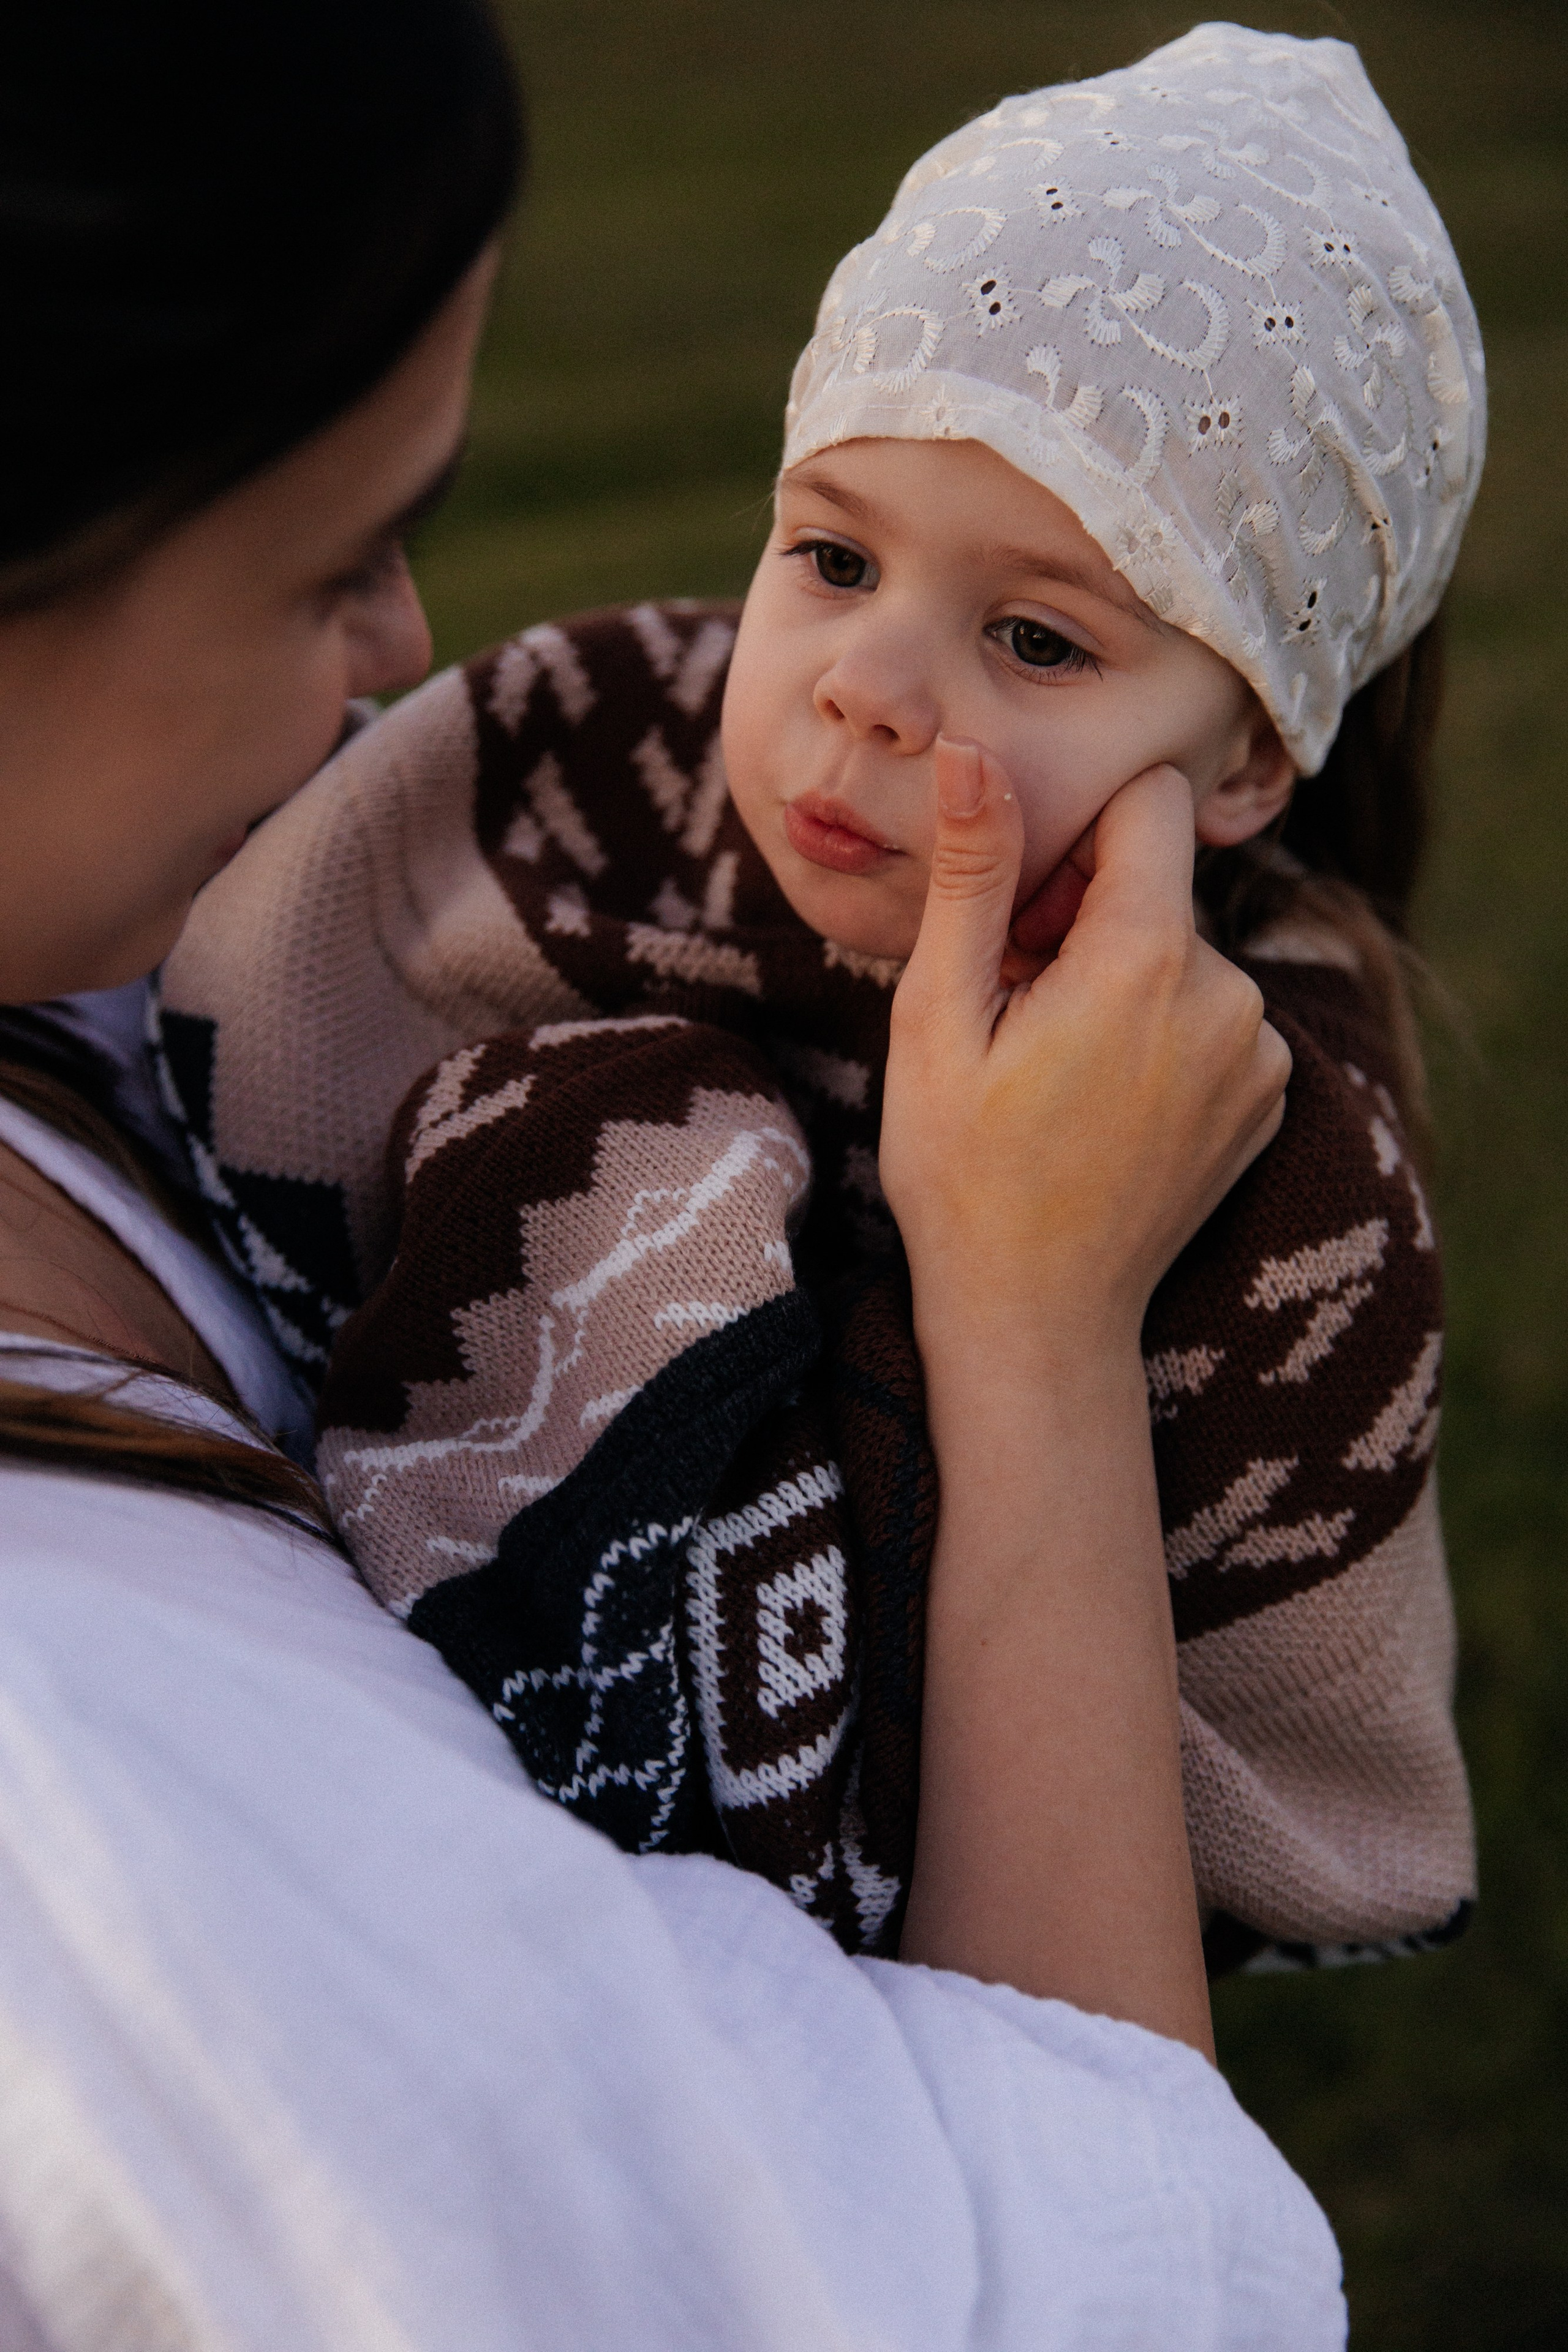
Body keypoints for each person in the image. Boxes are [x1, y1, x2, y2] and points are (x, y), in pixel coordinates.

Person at [0, 6, 1343, 2343]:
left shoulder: (147, 959)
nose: (401, 646)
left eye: (1038, 631)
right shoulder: (122, 1842)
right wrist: (1030, 1320)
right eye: (339, 549)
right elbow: (1058, 2281)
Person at [164, 25, 1476, 1975]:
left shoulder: (1271, 1166)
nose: (869, 681)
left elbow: (1251, 1785)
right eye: (835, 553)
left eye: (1036, 637)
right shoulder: (574, 770)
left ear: (1249, 767)